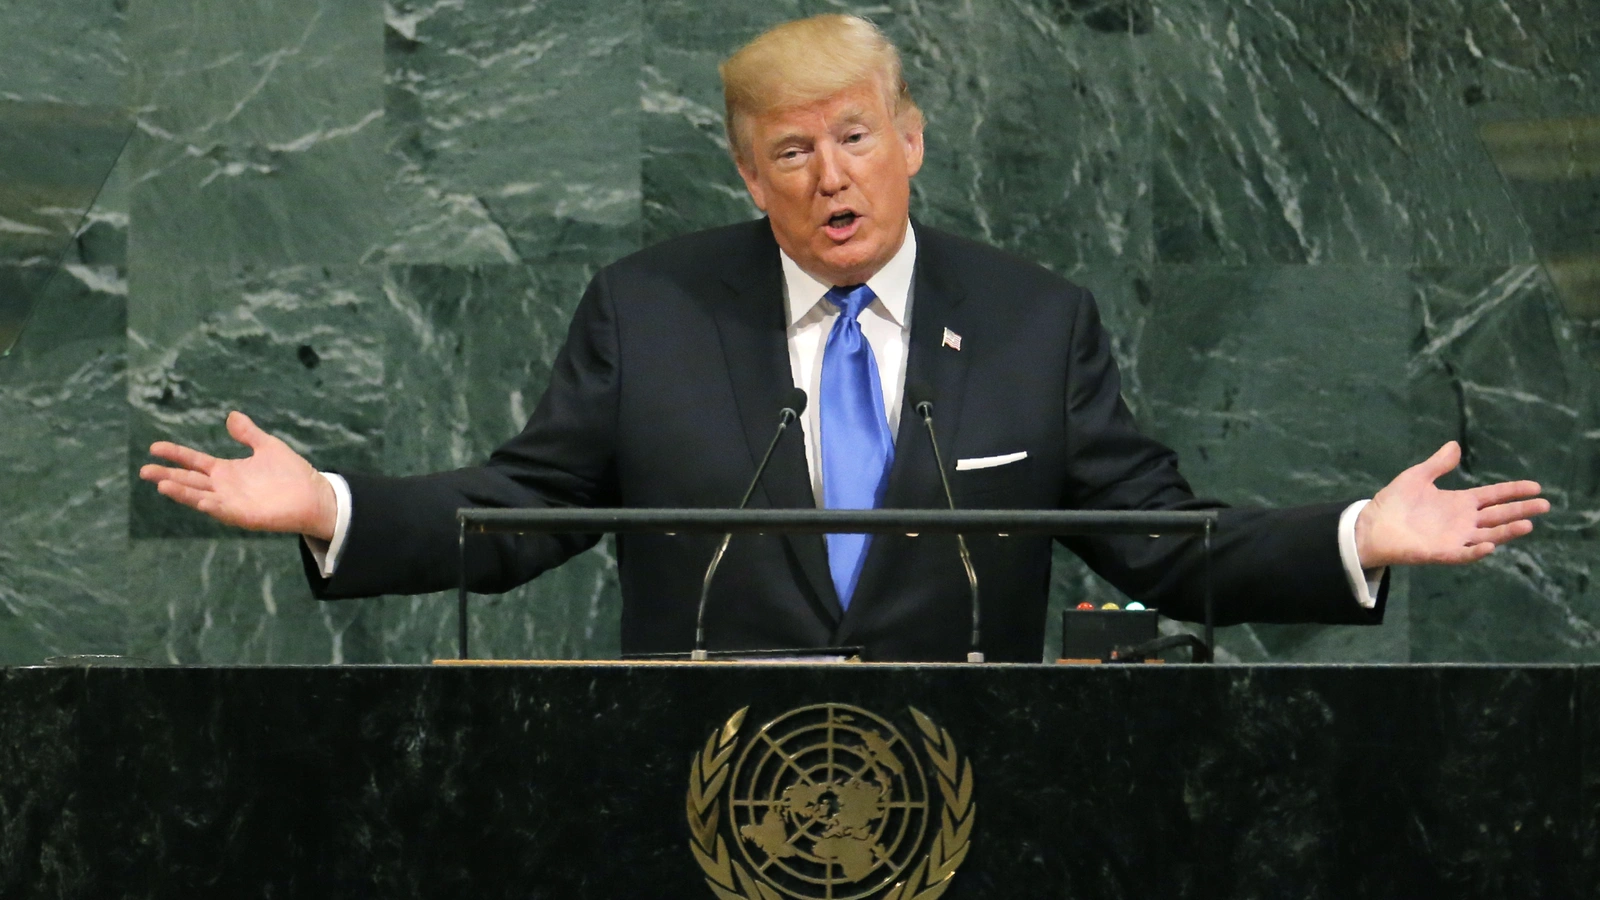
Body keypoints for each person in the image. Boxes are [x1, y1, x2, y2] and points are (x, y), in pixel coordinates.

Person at [139, 14, 1549, 662]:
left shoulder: (1030, 320)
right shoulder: (655, 308)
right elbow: (529, 514)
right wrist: (325, 506)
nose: (830, 176)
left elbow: (1156, 543)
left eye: (856, 137)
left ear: (911, 142)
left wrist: (1361, 534)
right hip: (698, 809)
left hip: (977, 807)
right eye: (792, 152)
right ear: (749, 180)